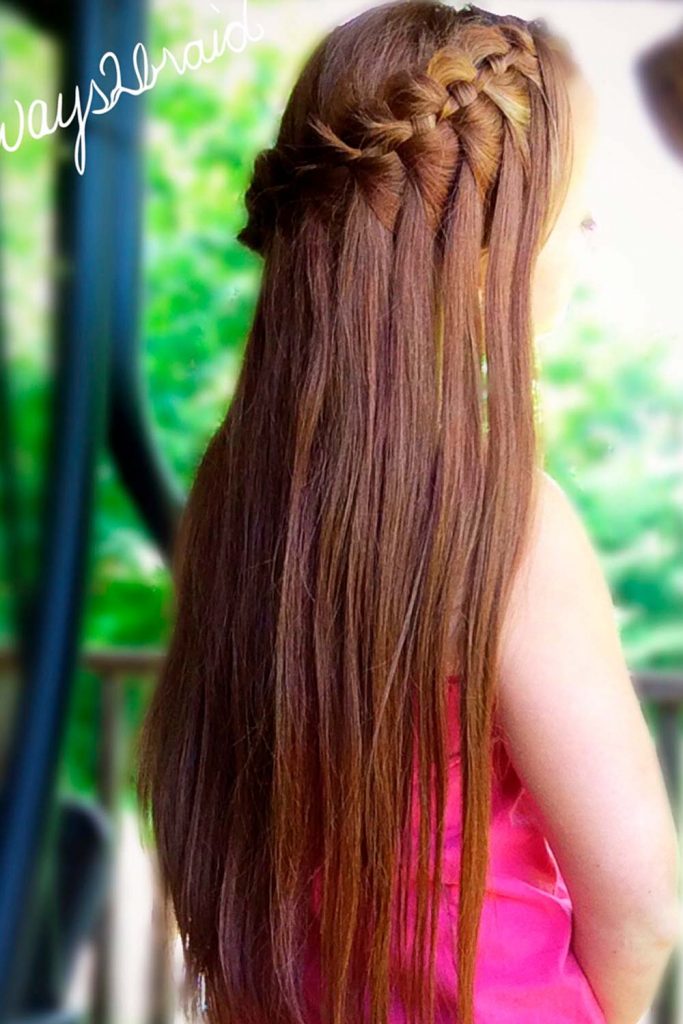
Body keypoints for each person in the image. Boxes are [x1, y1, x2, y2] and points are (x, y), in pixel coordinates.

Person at [136, 3, 680, 1023]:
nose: (584, 242)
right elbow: (640, 896)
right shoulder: (505, 517)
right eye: (572, 217)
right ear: (482, 258)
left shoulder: (234, 487)